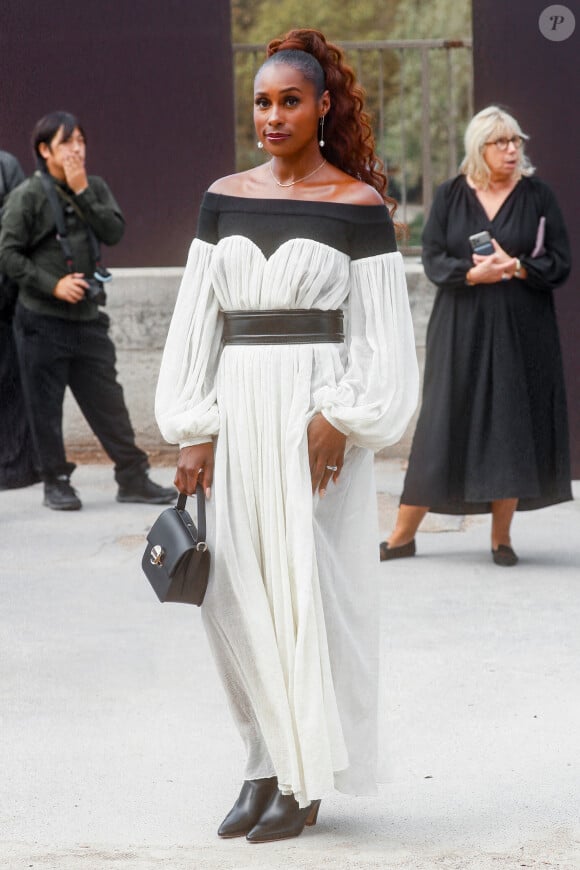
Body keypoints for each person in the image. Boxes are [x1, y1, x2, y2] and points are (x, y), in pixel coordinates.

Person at [155, 28, 418, 843]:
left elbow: (384, 337)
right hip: (235, 414)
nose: (272, 115)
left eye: (289, 101)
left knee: (307, 593)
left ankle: (305, 777)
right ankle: (261, 762)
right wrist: (192, 429)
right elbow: (197, 318)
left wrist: (342, 415)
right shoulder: (224, 195)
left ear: (323, 106)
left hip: (315, 417)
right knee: (230, 590)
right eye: (263, 102)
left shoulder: (358, 206)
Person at [380, 105, 572, 568]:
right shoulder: (449, 196)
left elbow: (560, 262)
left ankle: (501, 539)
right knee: (442, 423)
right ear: (479, 148)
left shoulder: (538, 196)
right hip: (460, 326)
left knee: (510, 425)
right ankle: (403, 536)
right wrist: (472, 273)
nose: (512, 150)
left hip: (523, 327)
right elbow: (432, 260)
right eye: (501, 142)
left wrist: (519, 266)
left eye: (516, 142)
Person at [0, 112, 176, 510]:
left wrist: (82, 192)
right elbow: (6, 253)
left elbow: (113, 231)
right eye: (67, 142)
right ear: (44, 151)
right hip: (40, 322)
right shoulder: (27, 195)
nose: (77, 149)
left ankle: (133, 477)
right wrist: (53, 284)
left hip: (88, 319)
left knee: (109, 402)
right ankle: (56, 482)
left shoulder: (92, 186)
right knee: (45, 408)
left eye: (81, 140)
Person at [0, 149, 40, 490]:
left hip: (6, 296)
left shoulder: (5, 165)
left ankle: (15, 467)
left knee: (10, 384)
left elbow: (19, 228)